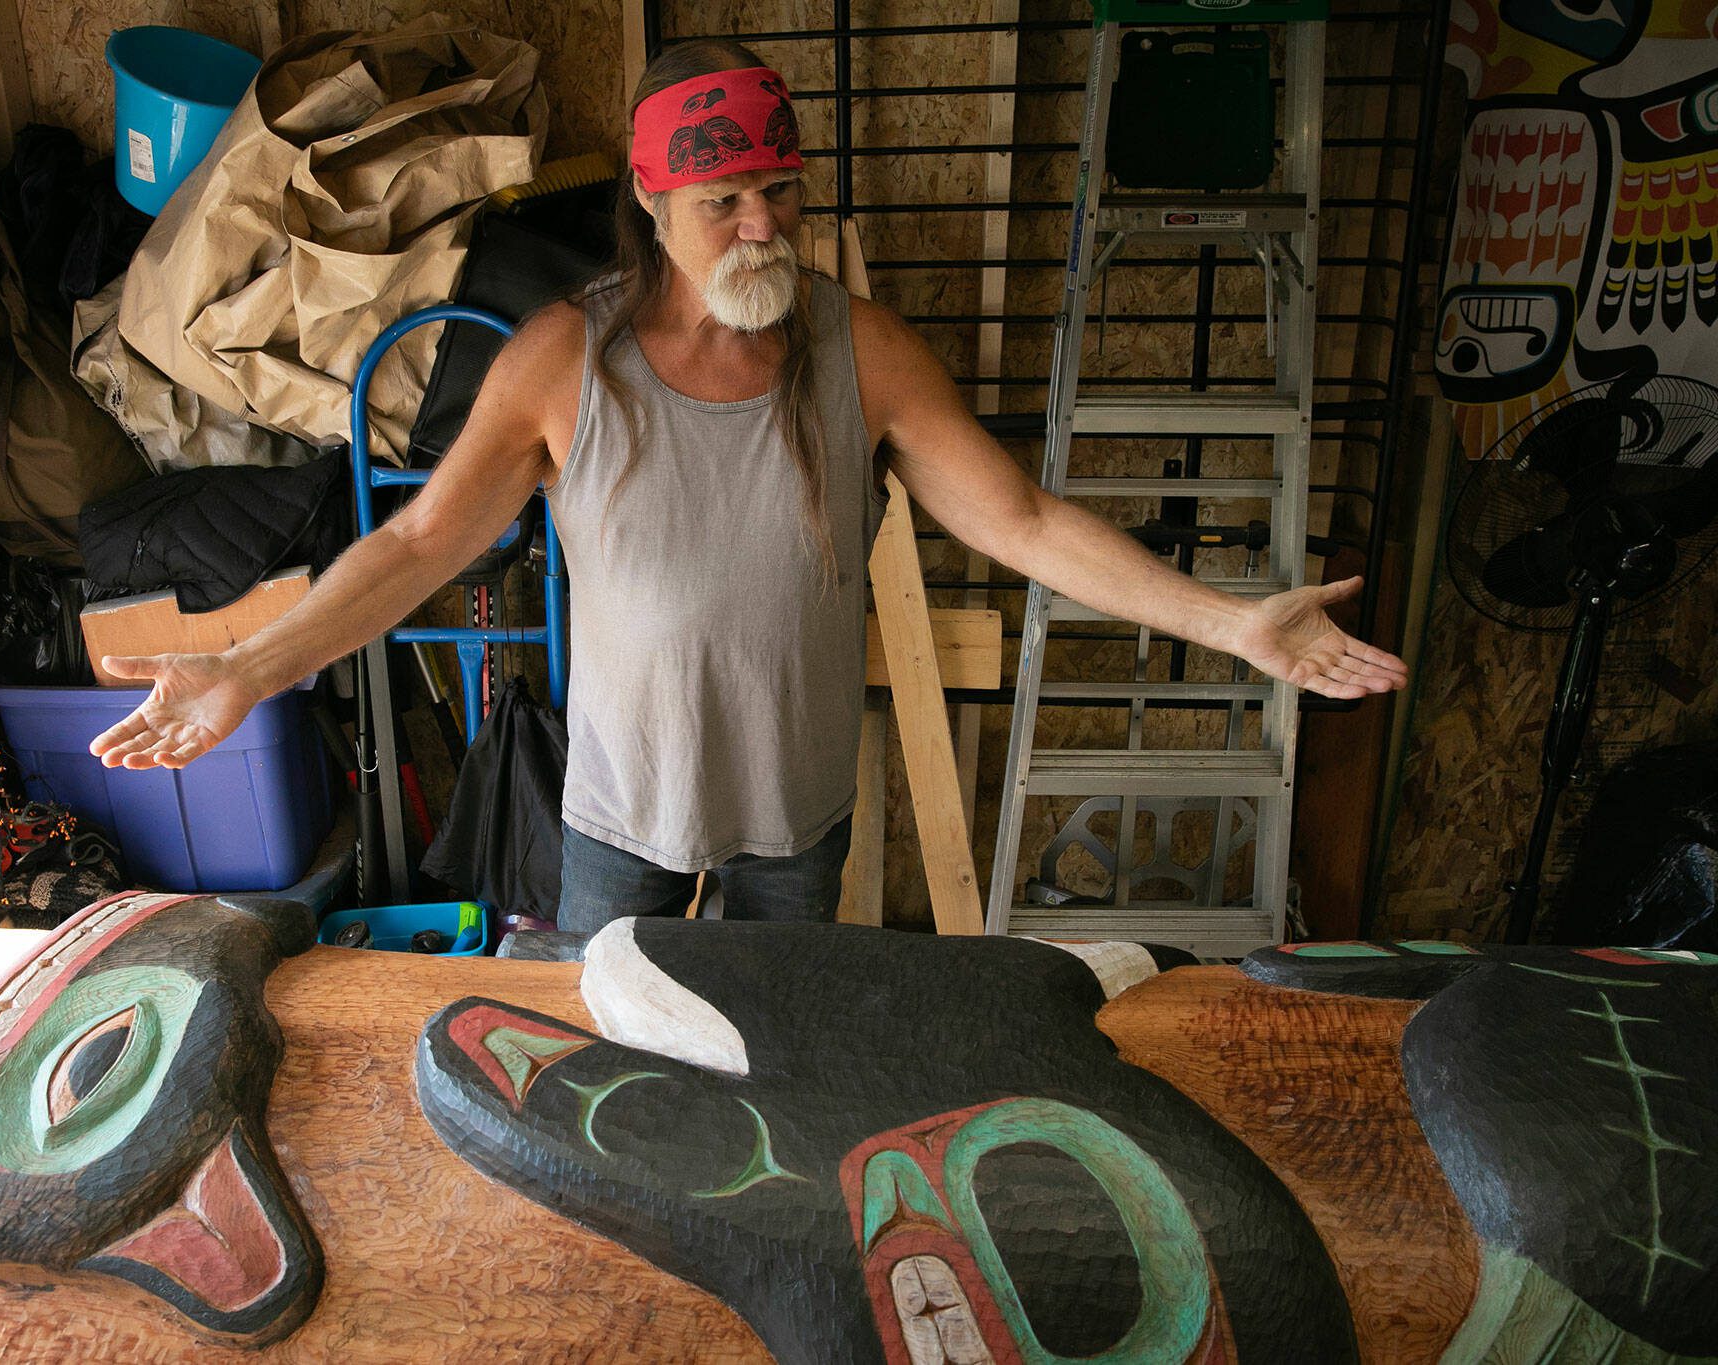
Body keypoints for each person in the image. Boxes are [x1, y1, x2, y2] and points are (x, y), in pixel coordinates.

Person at [90, 39, 1408, 935]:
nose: (766, 224)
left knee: (772, 1080)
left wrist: (1235, 623)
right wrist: (245, 667)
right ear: (655, 201)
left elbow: (1025, 521)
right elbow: (422, 542)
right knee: (619, 1081)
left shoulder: (862, 348)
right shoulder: (567, 362)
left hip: (797, 816)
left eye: (779, 189)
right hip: (620, 815)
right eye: (727, 201)